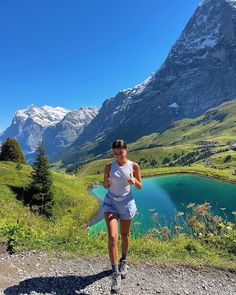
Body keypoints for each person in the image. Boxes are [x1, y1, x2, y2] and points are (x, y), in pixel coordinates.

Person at [102, 139, 142, 294]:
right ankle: (115, 274)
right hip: (111, 202)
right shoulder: (108, 166)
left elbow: (139, 186)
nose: (118, 156)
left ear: (126, 150)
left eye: (121, 152)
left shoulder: (133, 166)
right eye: (115, 153)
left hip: (126, 203)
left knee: (125, 235)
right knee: (113, 237)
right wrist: (106, 182)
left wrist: (133, 180)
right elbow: (105, 185)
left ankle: (123, 260)